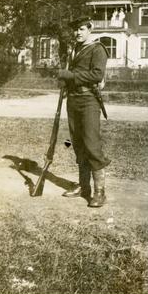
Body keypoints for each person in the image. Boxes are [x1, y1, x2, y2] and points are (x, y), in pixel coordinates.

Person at [58, 16, 111, 207]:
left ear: (90, 29)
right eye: (75, 30)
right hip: (73, 99)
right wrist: (64, 81)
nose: (77, 33)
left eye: (81, 29)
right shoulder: (74, 50)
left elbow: (97, 74)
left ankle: (99, 192)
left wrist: (71, 76)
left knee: (91, 144)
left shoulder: (98, 49)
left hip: (89, 100)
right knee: (78, 143)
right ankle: (84, 186)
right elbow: (70, 75)